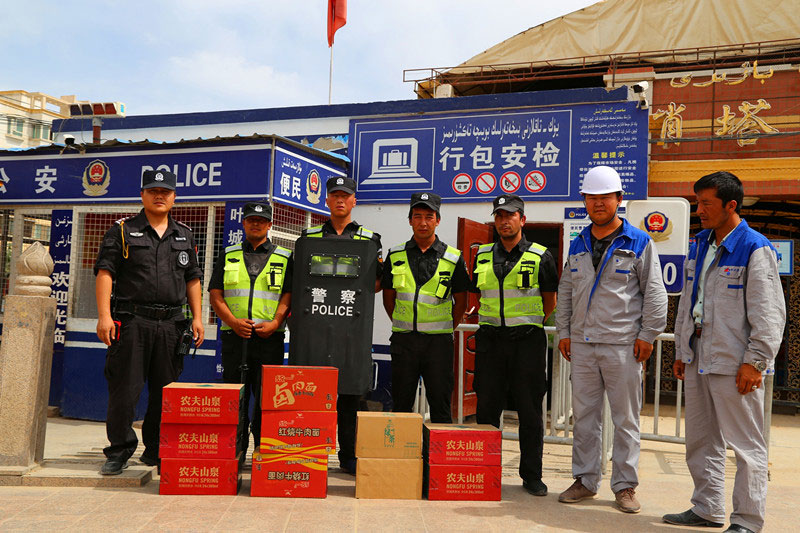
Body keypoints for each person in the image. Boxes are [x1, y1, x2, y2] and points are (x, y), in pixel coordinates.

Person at [663, 172, 785, 533]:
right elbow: (689, 302)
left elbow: (769, 313)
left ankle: (747, 520)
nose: (699, 210)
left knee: (746, 445)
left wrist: (755, 362)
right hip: (699, 353)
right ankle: (707, 508)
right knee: (701, 439)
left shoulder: (755, 247)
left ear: (731, 205)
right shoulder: (700, 243)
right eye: (697, 202)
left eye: (706, 203)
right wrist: (682, 349)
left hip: (735, 361)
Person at [556, 165, 667, 513]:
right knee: (585, 417)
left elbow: (654, 293)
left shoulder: (639, 241)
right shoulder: (578, 242)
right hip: (583, 345)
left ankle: (625, 485)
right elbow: (566, 291)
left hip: (623, 345)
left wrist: (648, 334)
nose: (598, 203)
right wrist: (564, 332)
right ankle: (586, 480)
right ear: (584, 201)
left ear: (619, 199)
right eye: (592, 197)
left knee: (626, 420)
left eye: (605, 197)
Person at [94, 169, 204, 475]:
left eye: (165, 192)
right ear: (142, 194)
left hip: (171, 325)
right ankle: (119, 451)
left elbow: (193, 278)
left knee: (165, 392)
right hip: (132, 322)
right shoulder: (122, 231)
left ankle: (155, 449)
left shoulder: (184, 234)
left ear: (174, 197)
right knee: (124, 390)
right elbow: (105, 272)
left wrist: (197, 317)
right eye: (153, 190)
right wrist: (104, 316)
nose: (159, 196)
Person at [471, 194, 558, 496]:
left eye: (510, 215)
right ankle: (485, 471)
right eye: (499, 216)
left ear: (522, 220)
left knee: (530, 411)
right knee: (487, 409)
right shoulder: (482, 255)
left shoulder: (541, 256)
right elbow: (477, 295)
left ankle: (531, 475)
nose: (504, 221)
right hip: (490, 342)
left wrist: (524, 323)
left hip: (527, 343)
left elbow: (549, 301)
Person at [302, 175, 382, 474]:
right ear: (326, 200)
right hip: (315, 331)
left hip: (351, 333)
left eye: (345, 195)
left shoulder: (370, 239)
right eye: (334, 195)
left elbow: (376, 284)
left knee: (350, 397)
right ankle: (311, 453)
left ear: (354, 201)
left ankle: (348, 455)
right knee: (311, 396)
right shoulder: (308, 237)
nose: (340, 200)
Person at [209, 201, 292, 456]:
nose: (256, 224)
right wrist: (233, 322)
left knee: (267, 398)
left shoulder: (284, 257)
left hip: (269, 339)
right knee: (235, 397)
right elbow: (215, 294)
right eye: (251, 220)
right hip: (235, 337)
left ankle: (263, 451)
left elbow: (288, 296)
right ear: (244, 223)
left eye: (261, 220)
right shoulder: (228, 254)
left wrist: (276, 323)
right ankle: (235, 451)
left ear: (270, 224)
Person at [381, 192, 470, 423]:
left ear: (438, 220)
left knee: (440, 407)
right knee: (401, 405)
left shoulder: (453, 258)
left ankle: (437, 449)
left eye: (429, 217)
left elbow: (461, 301)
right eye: (417, 216)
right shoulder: (395, 255)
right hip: (404, 342)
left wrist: (447, 326)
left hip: (438, 344)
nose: (423, 222)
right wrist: (403, 321)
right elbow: (388, 298)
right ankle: (403, 448)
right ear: (410, 220)